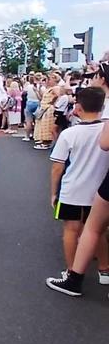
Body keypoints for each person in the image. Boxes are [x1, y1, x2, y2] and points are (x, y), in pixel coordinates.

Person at [46, 63, 109, 296]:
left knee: (72, 230)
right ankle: (104, 269)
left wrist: (53, 192)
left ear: (78, 108)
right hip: (99, 190)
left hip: (73, 190)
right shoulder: (105, 131)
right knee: (98, 230)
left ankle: (71, 271)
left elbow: (57, 167)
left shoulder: (69, 134)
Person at [33, 73, 60, 150]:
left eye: (49, 79)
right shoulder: (50, 88)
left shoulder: (55, 88)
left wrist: (53, 102)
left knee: (47, 126)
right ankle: (44, 141)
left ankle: (46, 142)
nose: (48, 81)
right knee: (43, 125)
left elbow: (58, 96)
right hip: (44, 108)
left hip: (48, 108)